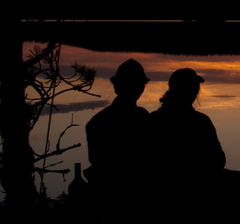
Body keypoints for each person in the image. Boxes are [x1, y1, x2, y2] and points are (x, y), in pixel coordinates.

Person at [149, 68, 226, 198]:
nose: (195, 91)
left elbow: (219, 161)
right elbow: (218, 161)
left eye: (195, 87)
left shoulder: (152, 119)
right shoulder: (201, 122)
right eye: (192, 87)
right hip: (190, 190)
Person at [84, 59, 151, 198]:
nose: (138, 89)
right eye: (134, 85)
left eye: (138, 85)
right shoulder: (143, 118)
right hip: (121, 192)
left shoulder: (96, 121)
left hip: (107, 192)